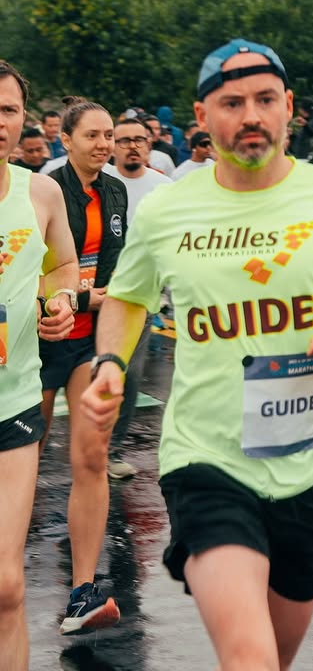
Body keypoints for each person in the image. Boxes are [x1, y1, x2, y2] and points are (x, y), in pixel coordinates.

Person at [82, 39, 313, 671]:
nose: (251, 115)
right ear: (201, 116)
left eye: (265, 100)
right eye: (232, 103)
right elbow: (125, 297)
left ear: (289, 108)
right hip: (206, 461)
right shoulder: (167, 209)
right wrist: (109, 363)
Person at [0, 60, 78, 671]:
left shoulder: (40, 193)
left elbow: (64, 266)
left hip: (14, 403)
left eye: (6, 110)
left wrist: (62, 303)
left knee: (7, 587)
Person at [39, 98, 129, 634]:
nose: (103, 144)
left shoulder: (114, 190)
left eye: (109, 135)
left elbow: (119, 270)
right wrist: (87, 295)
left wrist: (93, 298)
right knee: (25, 451)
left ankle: (83, 591)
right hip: (40, 336)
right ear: (65, 140)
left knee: (91, 453)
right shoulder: (46, 190)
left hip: (88, 339)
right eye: (92, 135)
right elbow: (42, 269)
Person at [104, 115, 174, 481]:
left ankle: (112, 451)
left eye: (139, 139)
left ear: (150, 145)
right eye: (124, 139)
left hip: (140, 299)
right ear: (112, 145)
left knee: (130, 377)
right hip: (96, 296)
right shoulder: (101, 182)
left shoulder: (163, 187)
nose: (132, 145)